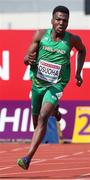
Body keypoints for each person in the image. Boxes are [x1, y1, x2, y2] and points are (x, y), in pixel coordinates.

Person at [17, 5, 86, 170]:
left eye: (65, 20)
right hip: (38, 84)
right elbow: (27, 58)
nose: (61, 23)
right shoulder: (41, 35)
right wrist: (28, 59)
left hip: (56, 84)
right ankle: (55, 109)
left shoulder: (72, 40)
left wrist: (78, 73)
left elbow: (82, 51)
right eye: (58, 19)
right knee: (36, 122)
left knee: (42, 117)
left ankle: (27, 158)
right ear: (52, 20)